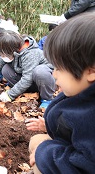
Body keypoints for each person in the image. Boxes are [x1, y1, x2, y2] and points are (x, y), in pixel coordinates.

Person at [26, 12, 95, 174]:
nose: (54, 74)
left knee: (38, 159)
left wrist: (45, 153)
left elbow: (84, 165)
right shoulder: (84, 92)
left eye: (59, 68)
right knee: (37, 140)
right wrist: (49, 126)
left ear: (91, 72)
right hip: (77, 149)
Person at [0, 31, 55, 109]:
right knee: (5, 69)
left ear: (11, 50)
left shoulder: (31, 54)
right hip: (29, 80)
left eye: (3, 54)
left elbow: (27, 79)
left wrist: (9, 95)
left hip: (43, 82)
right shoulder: (13, 48)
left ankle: (46, 99)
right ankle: (22, 90)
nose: (2, 56)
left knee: (40, 72)